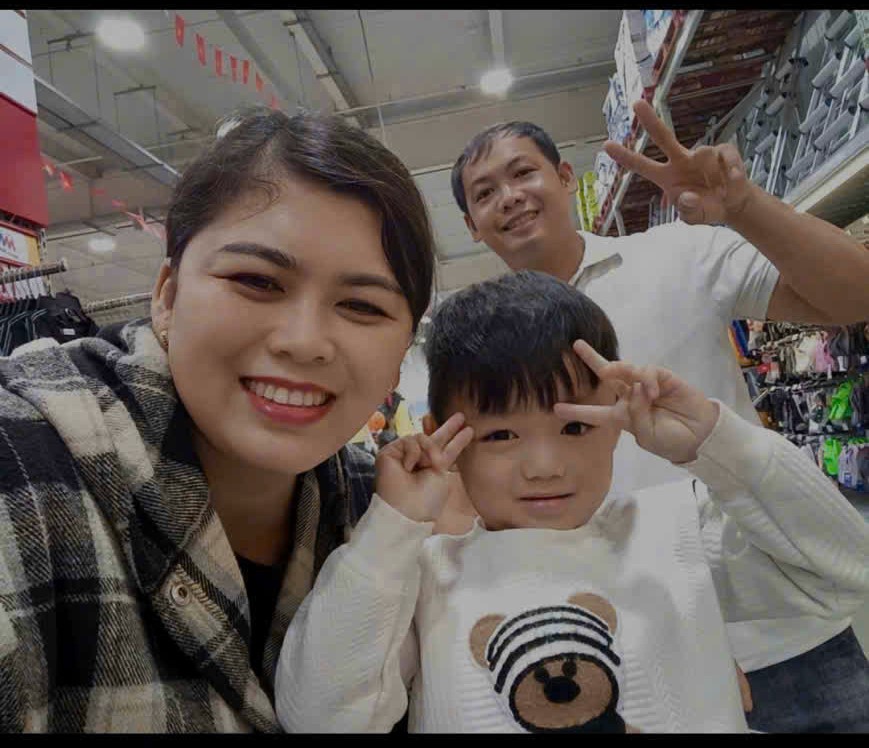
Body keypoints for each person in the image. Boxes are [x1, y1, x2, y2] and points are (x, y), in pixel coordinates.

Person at [274, 271, 869, 732]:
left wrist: (719, 443)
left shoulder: (676, 529)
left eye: (575, 427)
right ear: (445, 438)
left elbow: (843, 568)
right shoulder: (425, 577)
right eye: (501, 435)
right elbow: (323, 715)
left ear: (616, 419)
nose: (545, 465)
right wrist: (390, 528)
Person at [0, 105, 436, 732]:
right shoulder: (25, 465)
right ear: (168, 296)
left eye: (363, 306)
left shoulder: (377, 511)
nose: (304, 341)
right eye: (257, 281)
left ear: (400, 354)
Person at [445, 101, 869, 732]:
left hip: (782, 623)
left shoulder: (679, 254)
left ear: (565, 176)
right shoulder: (483, 349)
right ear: (472, 226)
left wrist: (745, 206)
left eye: (523, 173)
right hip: (638, 649)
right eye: (484, 193)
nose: (508, 197)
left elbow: (857, 295)